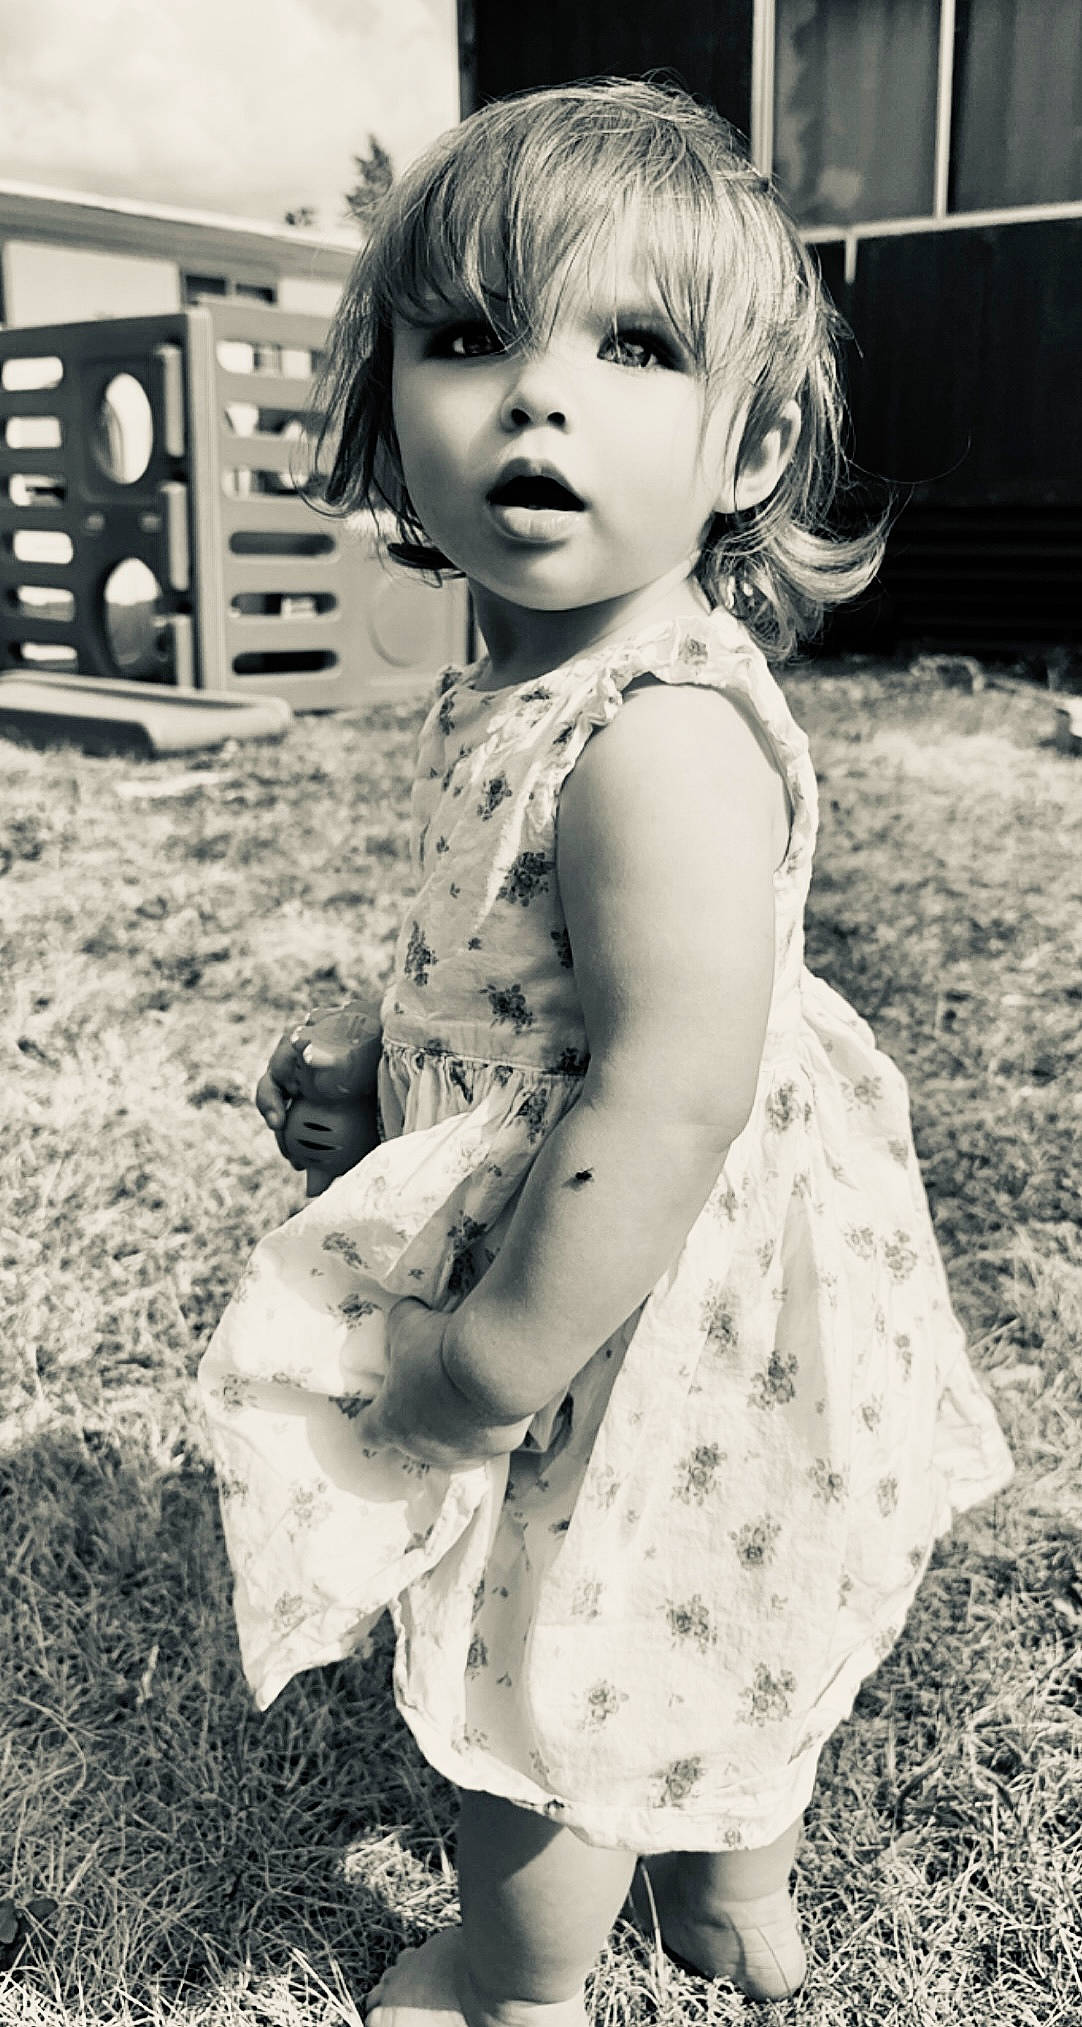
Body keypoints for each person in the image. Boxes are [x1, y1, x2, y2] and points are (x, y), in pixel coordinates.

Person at [199, 77, 1013, 2019]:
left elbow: (664, 1086)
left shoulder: (656, 739)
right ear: (383, 408)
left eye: (633, 347)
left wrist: (493, 1358)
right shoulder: (524, 687)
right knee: (711, 1599)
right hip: (658, 1249)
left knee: (550, 1647)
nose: (536, 396)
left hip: (629, 1290)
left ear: (748, 445)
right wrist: (377, 1065)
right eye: (471, 337)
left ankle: (510, 1977)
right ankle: (735, 1903)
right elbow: (526, 989)